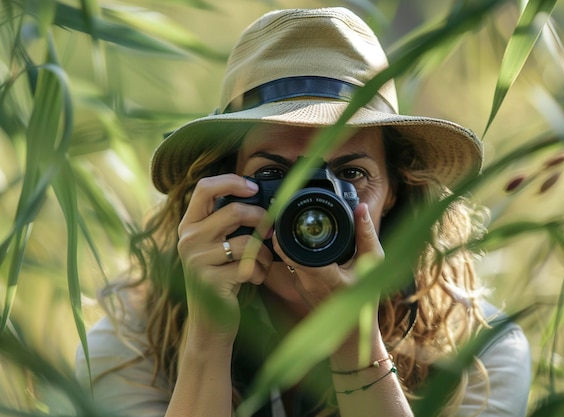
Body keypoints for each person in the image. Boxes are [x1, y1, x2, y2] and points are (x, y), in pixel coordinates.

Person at [75, 7, 531, 417]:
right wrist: (207, 340)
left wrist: (357, 347)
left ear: (395, 189)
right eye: (274, 174)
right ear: (219, 187)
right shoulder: (129, 346)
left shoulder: (479, 354)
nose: (310, 205)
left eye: (349, 174)